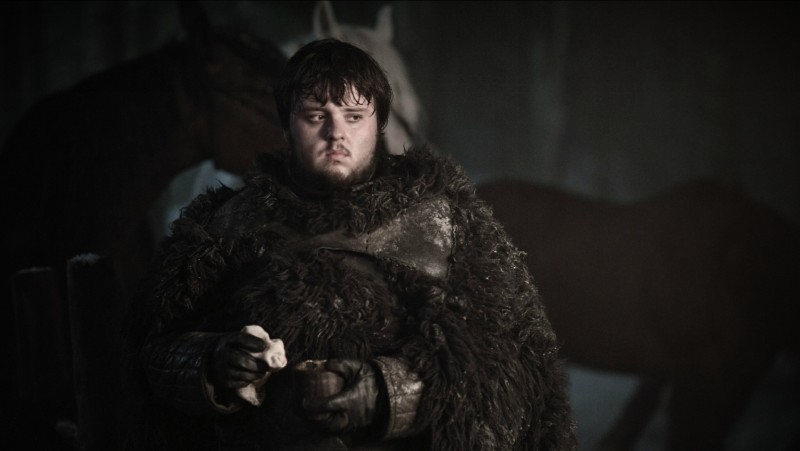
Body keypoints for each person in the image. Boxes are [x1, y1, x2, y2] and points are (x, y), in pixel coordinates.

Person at [124, 38, 577, 451]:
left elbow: (511, 364)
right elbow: (152, 353)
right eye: (316, 116)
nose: (335, 133)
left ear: (378, 125)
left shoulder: (444, 224)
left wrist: (385, 394)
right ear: (287, 126)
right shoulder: (226, 224)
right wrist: (214, 364)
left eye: (354, 116)